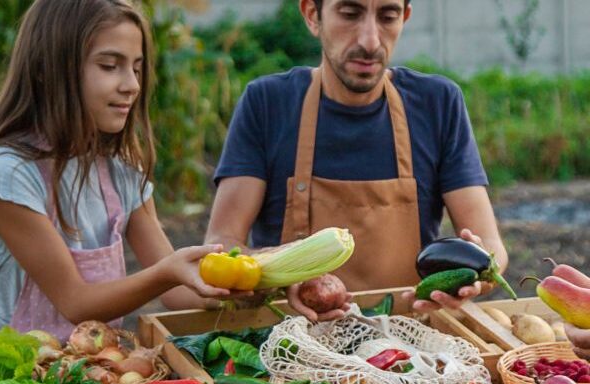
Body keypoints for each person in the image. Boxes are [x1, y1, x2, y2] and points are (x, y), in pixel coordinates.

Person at [0, 0, 240, 348]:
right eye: (109, 66)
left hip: (96, 373)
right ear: (47, 68)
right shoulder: (5, 175)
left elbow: (179, 291)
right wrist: (167, 272)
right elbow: (76, 301)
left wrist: (245, 286)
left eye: (136, 68)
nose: (131, 84)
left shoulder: (119, 168)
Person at [205, 0, 509, 321]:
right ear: (312, 15)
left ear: (404, 18)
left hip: (408, 347)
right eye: (350, 14)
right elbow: (223, 244)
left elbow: (490, 245)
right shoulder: (267, 104)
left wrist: (478, 275)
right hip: (291, 342)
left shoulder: (439, 104)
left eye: (387, 16)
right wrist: (275, 278)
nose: (370, 41)